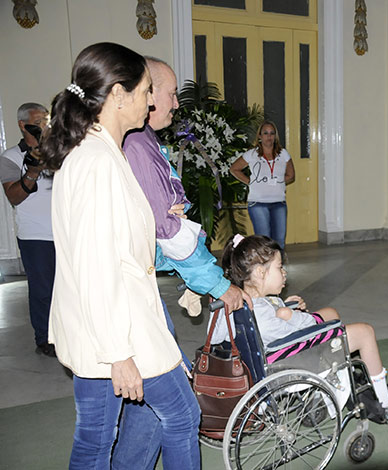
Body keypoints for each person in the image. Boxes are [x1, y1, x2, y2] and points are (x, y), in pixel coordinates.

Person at [38, 42, 200, 469]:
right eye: (146, 90)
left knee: (95, 440)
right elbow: (96, 264)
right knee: (183, 416)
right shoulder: (97, 162)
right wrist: (118, 354)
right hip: (118, 331)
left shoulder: (99, 152)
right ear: (117, 94)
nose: (151, 101)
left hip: (103, 326)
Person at [112, 56, 251, 468]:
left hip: (136, 290)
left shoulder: (144, 141)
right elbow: (168, 232)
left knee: (148, 411)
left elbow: (159, 228)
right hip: (131, 299)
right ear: (147, 94)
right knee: (181, 409)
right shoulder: (138, 145)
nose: (177, 103)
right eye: (171, 94)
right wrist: (218, 284)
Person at [215, 234, 388, 420]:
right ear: (260, 273)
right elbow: (305, 327)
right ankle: (384, 401)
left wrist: (283, 306)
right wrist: (291, 314)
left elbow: (223, 334)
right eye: (279, 268)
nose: (284, 273)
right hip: (287, 365)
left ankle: (331, 388)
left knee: (330, 313)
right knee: (365, 332)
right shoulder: (263, 315)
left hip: (267, 358)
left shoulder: (239, 303)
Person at [0, 103, 56, 356]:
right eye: (38, 120)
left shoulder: (58, 152)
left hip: (66, 230)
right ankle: (44, 339)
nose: (43, 124)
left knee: (69, 288)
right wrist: (32, 172)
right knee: (43, 291)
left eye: (46, 120)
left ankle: (69, 335)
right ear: (23, 125)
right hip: (35, 235)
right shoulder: (10, 158)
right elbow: (14, 196)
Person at [229, 120, 295, 249]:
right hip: (258, 203)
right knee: (263, 241)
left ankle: (277, 267)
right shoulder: (252, 154)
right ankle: (265, 268)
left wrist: (277, 182)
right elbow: (234, 169)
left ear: (275, 136)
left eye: (272, 133)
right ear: (259, 136)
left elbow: (291, 176)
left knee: (279, 241)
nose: (269, 136)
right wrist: (250, 182)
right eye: (265, 133)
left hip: (279, 203)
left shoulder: (283, 154)